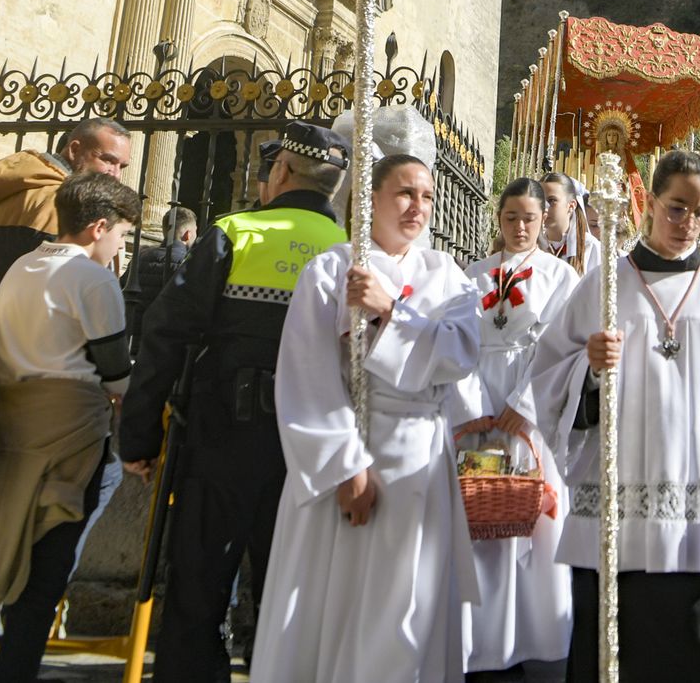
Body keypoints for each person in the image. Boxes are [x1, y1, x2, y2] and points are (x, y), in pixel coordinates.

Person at [527, 149, 700, 681]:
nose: (687, 224)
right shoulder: (605, 286)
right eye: (676, 208)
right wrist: (589, 368)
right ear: (649, 202)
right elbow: (543, 380)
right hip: (619, 494)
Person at [118, 121, 349, 683]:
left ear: (281, 171)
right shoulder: (348, 252)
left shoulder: (234, 233)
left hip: (222, 438)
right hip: (311, 451)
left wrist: (140, 437)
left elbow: (164, 334)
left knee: (198, 589)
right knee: (291, 594)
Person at [249, 153, 482, 682]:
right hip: (356, 455)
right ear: (371, 198)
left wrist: (390, 312)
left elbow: (462, 354)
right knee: (342, 605)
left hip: (422, 456)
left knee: (411, 611)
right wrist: (342, 466)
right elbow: (306, 374)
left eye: (426, 196)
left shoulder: (445, 273)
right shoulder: (333, 268)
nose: (417, 207)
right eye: (404, 193)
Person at [0, 172, 139, 683]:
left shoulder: (22, 265)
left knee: (16, 541)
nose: (122, 247)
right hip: (71, 432)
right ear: (99, 228)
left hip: (11, 425)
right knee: (51, 561)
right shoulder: (93, 278)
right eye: (124, 236)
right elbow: (115, 370)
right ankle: (15, 670)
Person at [456, 177, 579, 673]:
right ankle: (486, 643)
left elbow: (564, 350)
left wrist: (525, 405)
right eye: (511, 218)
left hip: (533, 411)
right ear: (499, 219)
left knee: (533, 517)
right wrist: (474, 410)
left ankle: (538, 636)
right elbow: (458, 343)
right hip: (480, 404)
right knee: (484, 510)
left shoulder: (559, 277)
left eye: (530, 217)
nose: (521, 226)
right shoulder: (473, 274)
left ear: (544, 217)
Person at [0, 118, 132, 297]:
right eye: (108, 160)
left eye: (122, 166)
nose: (116, 175)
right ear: (74, 150)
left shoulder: (15, 188)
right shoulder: (63, 202)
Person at [122, 205, 197, 350]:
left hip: (130, 340)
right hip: (160, 345)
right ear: (187, 234)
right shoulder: (186, 263)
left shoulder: (141, 256)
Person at [541, 172, 600, 278]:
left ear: (571, 206)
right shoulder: (534, 245)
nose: (545, 207)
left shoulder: (591, 247)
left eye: (552, 200)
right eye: (540, 201)